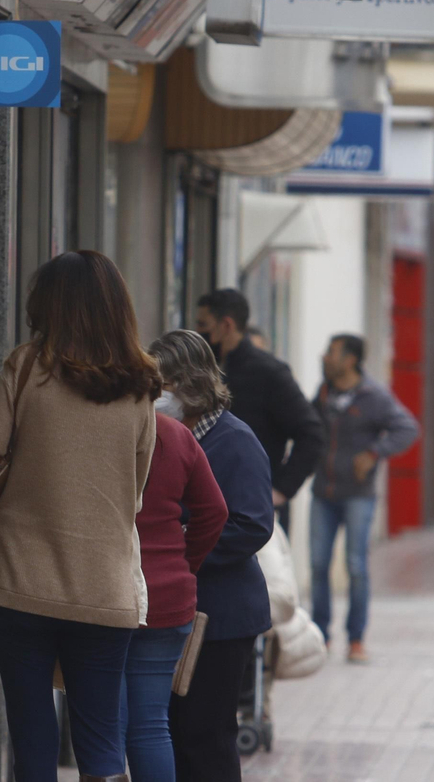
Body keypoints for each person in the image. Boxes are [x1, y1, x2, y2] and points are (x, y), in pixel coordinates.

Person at [0, 250, 159, 782]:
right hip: (105, 590)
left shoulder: (27, 367)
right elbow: (135, 495)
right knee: (102, 739)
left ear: (49, 306)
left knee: (32, 732)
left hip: (22, 582)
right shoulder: (140, 386)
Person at [149, 330, 274, 782]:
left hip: (222, 619)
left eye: (160, 386)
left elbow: (254, 524)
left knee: (206, 735)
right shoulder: (166, 436)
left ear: (188, 384)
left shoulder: (234, 440)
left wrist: (178, 544)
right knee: (175, 732)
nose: (154, 398)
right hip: (176, 610)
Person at [120, 412, 228, 782]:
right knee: (151, 725)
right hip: (169, 596)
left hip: (110, 593)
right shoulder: (175, 433)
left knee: (106, 727)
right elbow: (215, 511)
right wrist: (185, 561)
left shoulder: (99, 428)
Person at [309, 333, 419, 664]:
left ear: (351, 360)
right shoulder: (325, 392)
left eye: (332, 352)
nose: (325, 357)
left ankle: (356, 639)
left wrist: (374, 454)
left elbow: (408, 428)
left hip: (358, 495)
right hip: (322, 493)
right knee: (317, 565)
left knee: (356, 566)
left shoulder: (374, 397)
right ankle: (320, 636)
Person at [195, 288, 326, 531]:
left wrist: (280, 491)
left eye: (203, 324)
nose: (198, 332)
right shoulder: (204, 370)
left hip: (251, 513)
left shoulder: (268, 372)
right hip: (208, 505)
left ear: (226, 325)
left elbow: (312, 433)